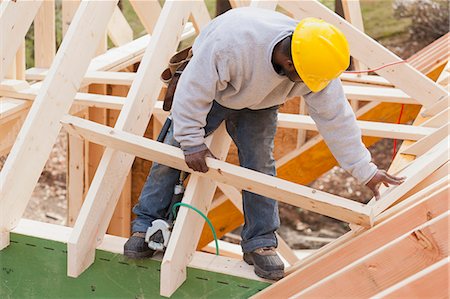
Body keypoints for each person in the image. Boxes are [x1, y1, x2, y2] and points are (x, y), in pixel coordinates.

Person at [124, 7, 405, 280]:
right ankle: (145, 225)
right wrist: (192, 143)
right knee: (172, 151)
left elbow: (336, 119)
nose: (309, 87)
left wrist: (364, 170)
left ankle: (260, 241)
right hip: (215, 87)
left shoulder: (316, 60)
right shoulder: (230, 46)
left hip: (261, 102)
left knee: (260, 166)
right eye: (305, 80)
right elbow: (192, 93)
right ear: (290, 62)